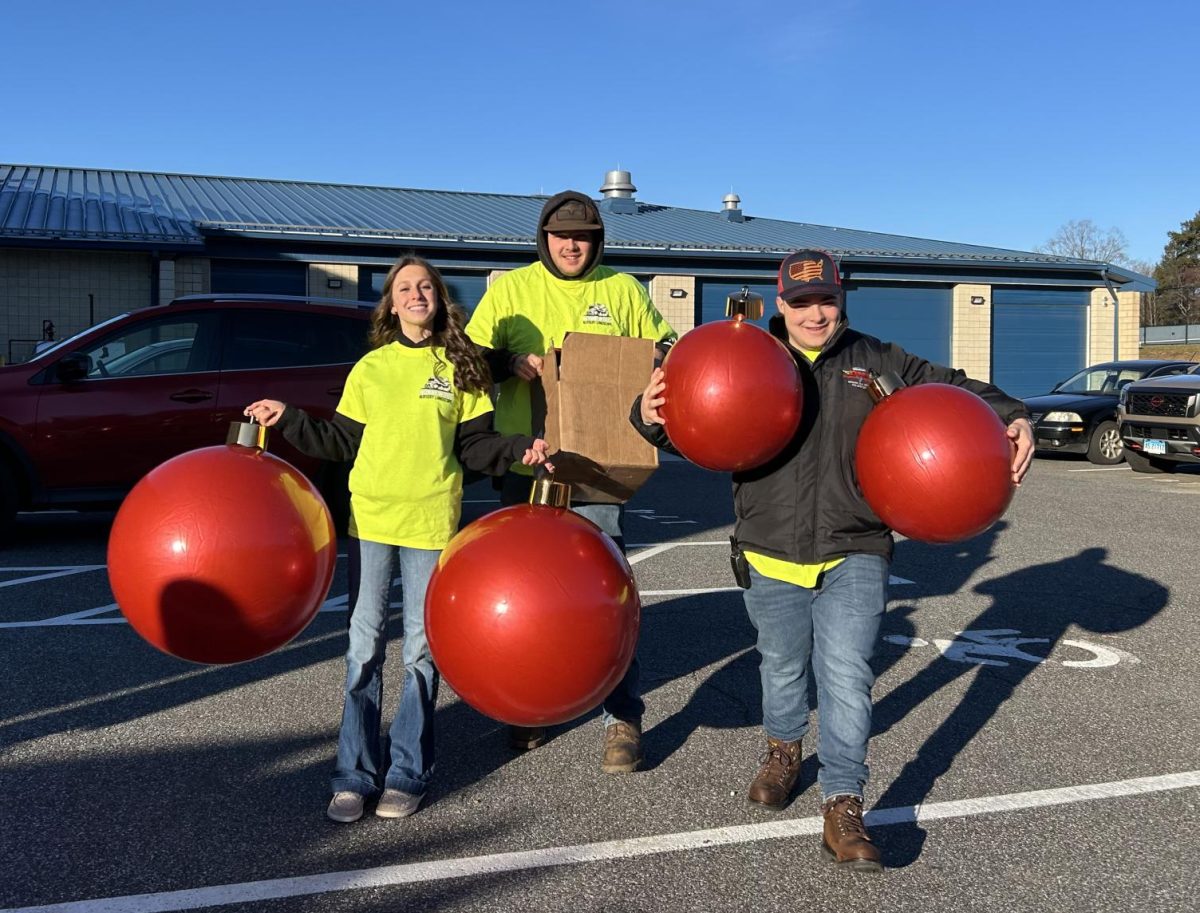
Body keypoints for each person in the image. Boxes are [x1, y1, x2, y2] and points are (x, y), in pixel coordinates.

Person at [632, 249, 1033, 871]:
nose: (815, 314)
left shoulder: (878, 360)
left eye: (826, 301)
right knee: (783, 667)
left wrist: (1013, 415)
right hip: (770, 546)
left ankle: (843, 801)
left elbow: (956, 388)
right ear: (780, 301)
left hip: (856, 545)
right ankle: (783, 749)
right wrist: (646, 413)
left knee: (847, 674)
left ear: (841, 299)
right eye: (801, 302)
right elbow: (683, 423)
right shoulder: (744, 355)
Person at [245, 254, 551, 824]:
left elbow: (474, 448)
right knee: (363, 650)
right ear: (390, 304)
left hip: (432, 525)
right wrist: (286, 416)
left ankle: (407, 772)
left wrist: (519, 450)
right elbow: (338, 441)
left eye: (425, 287)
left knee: (420, 653)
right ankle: (352, 775)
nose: (416, 295)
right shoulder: (371, 369)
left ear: (439, 299)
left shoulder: (462, 369)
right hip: (371, 526)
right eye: (404, 288)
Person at [466, 190, 677, 772]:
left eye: (582, 236)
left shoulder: (623, 290)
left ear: (597, 240)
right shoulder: (510, 290)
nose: (571, 245)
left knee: (606, 593)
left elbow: (667, 351)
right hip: (525, 464)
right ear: (544, 238)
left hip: (598, 467)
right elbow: (467, 360)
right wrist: (511, 363)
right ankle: (531, 705)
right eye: (561, 236)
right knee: (527, 592)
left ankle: (622, 717)